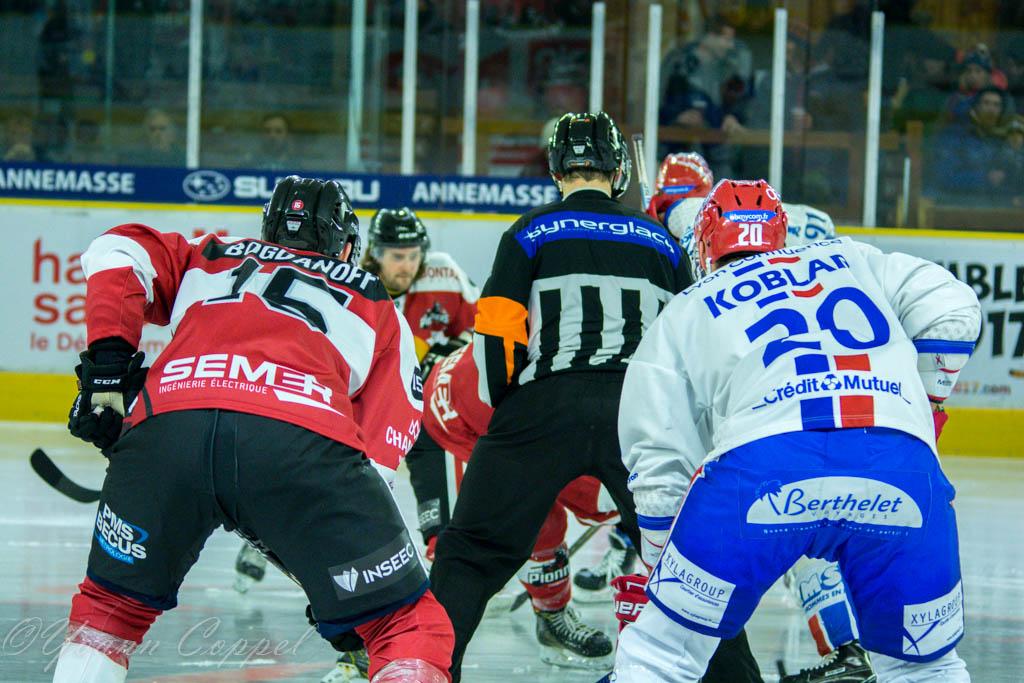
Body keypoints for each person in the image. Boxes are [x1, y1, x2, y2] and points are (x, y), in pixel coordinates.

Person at [55, 176, 453, 683]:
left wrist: (108, 370)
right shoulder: (378, 303)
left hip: (168, 432)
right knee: (406, 624)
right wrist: (338, 565)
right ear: (346, 245)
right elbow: (377, 459)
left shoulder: (212, 254)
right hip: (298, 443)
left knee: (108, 612)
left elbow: (115, 249)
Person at [428, 111, 760, 682]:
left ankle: (421, 670)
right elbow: (695, 347)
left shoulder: (528, 232)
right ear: (619, 170)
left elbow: (497, 337)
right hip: (640, 415)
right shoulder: (663, 243)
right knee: (692, 568)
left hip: (542, 401)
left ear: (557, 169)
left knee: (471, 553)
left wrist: (514, 416)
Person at [611, 179, 980, 682]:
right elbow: (954, 312)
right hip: (901, 468)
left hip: (761, 470)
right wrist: (926, 401)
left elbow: (657, 459)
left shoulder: (687, 307)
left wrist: (665, 571)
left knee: (662, 651)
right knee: (926, 668)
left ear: (705, 247)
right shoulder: (849, 257)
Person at [317, 207, 478, 683]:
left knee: (444, 536)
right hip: (370, 428)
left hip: (431, 426)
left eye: (411, 255)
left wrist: (454, 351)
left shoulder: (444, 273)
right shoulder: (352, 285)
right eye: (394, 255)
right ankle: (360, 645)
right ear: (374, 253)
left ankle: (424, 646)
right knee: (358, 540)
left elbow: (485, 326)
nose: (405, 265)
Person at [422, 342, 619, 668]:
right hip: (456, 417)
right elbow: (600, 503)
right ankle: (551, 615)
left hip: (481, 387)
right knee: (529, 519)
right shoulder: (542, 398)